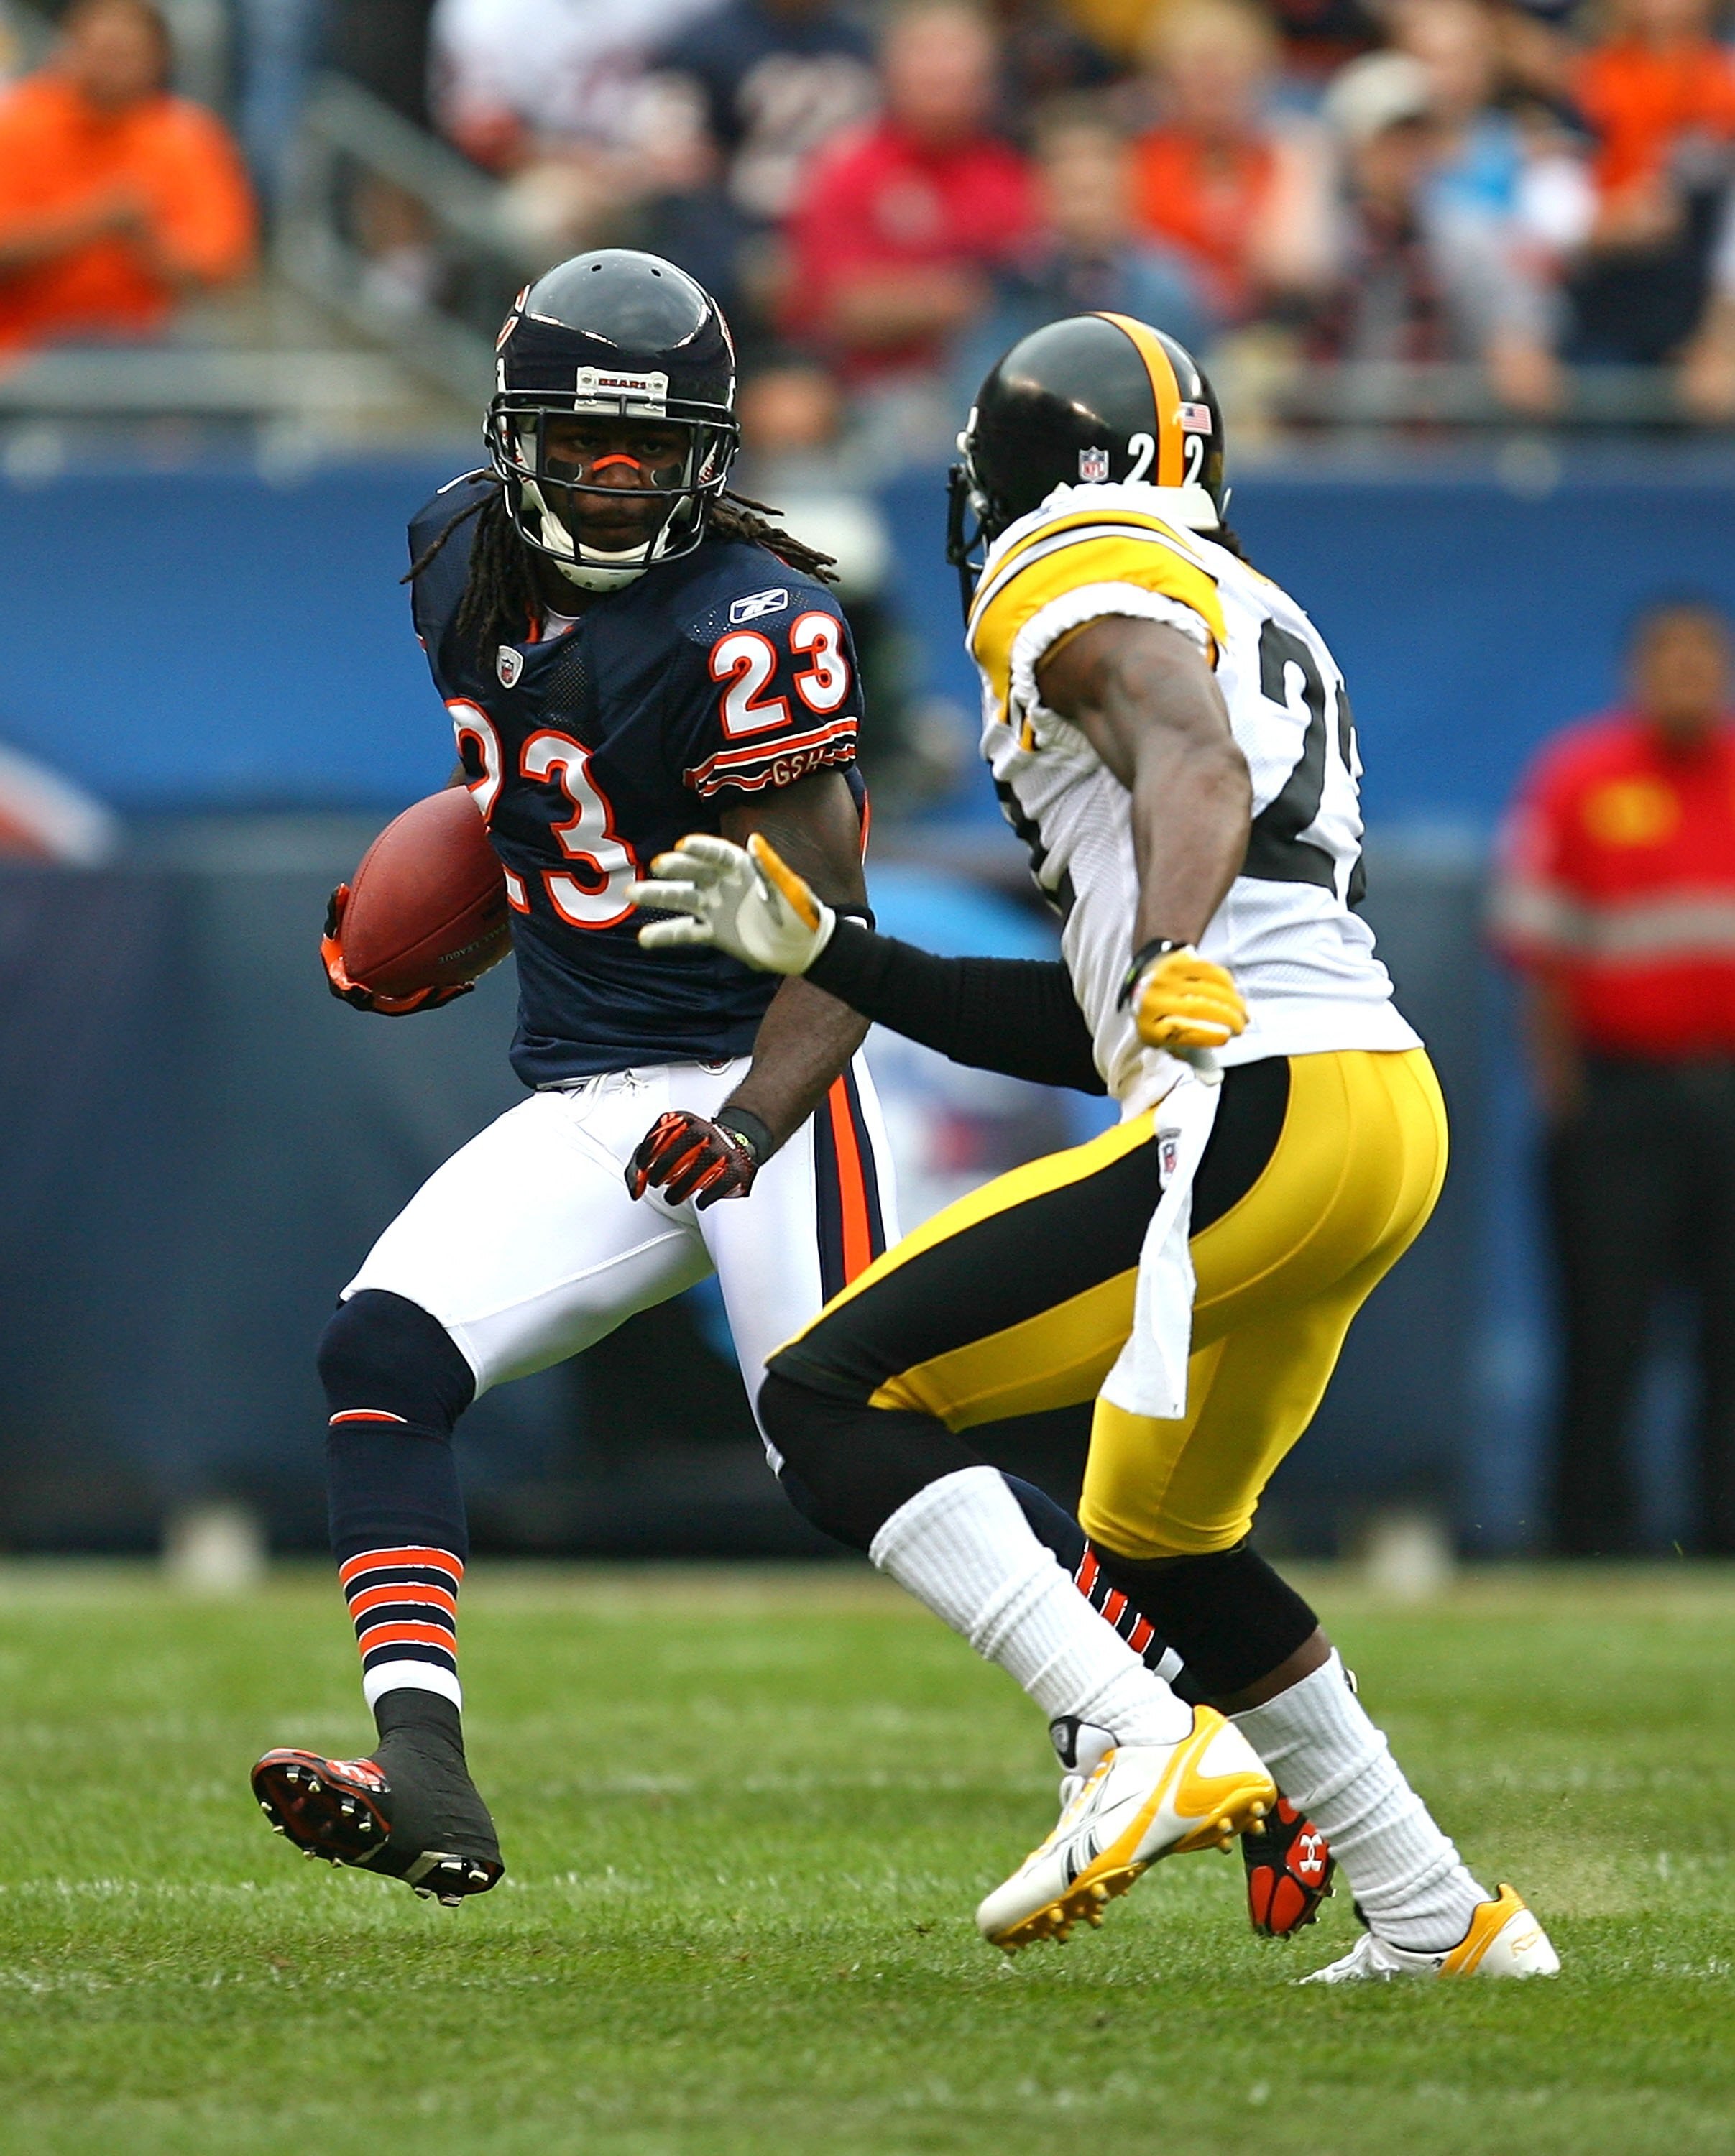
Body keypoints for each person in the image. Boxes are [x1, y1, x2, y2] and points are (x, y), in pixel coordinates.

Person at [635, 313, 1560, 1982]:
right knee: (1156, 1529)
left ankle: (1129, 1733)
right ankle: (1435, 1912)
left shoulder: (1064, 566)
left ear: (1015, 469)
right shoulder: (1242, 594)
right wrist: (826, 955)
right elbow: (1093, 1016)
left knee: (827, 1393)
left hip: (1255, 1105)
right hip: (1364, 1107)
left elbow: (1184, 758)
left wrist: (1163, 951)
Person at [244, 249, 900, 1905]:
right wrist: (459, 901)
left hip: (761, 1063)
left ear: (708, 454)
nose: (613, 485)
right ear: (511, 436)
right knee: (377, 1346)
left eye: (648, 452)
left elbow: (836, 930)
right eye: (579, 446)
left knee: (858, 1455)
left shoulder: (751, 623)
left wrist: (752, 1117)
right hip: (594, 1082)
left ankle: (1144, 1714)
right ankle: (427, 1777)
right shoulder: (454, 551)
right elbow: (528, 793)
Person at [1493, 599, 1735, 1558]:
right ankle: (1587, 1536)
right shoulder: (1577, 781)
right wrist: (1565, 1102)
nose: (1685, 676)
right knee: (1604, 1329)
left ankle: (1720, 1537)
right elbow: (1535, 957)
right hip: (1618, 1101)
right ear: (1637, 672)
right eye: (1665, 659)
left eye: (1700, 659)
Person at [781, 1, 1037, 394]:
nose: (946, 73)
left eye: (958, 60)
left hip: (1001, 381)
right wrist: (964, 296)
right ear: (889, 71)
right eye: (929, 60)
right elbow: (843, 310)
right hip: (876, 389)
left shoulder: (1012, 176)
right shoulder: (848, 170)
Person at [0, 0, 254, 355]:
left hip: (145, 344)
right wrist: (94, 219)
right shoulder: (18, 124)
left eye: (126, 55)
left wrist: (147, 241)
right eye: (100, 50)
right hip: (25, 345)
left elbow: (219, 267)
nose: (109, 68)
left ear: (158, 59)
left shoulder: (187, 136)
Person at [1127, 0, 1332, 328]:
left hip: (1270, 334)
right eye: (1199, 68)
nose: (1214, 83)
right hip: (1166, 333)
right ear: (1168, 79)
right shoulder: (1142, 160)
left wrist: (1302, 164)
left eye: (1227, 68)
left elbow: (1296, 268)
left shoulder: (1281, 154)